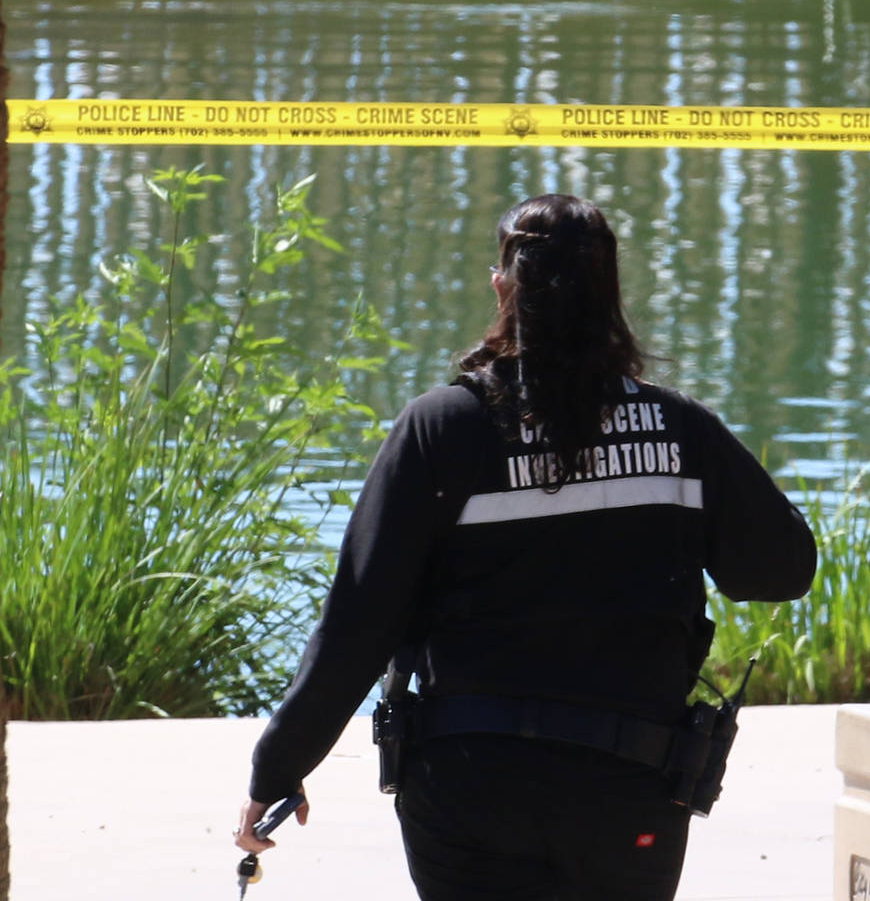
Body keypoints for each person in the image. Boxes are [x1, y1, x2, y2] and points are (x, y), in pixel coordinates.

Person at [235, 193, 817, 901]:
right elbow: (783, 569)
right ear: (612, 294)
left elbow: (359, 625)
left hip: (471, 791)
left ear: (503, 287)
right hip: (631, 793)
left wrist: (279, 767)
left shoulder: (444, 429)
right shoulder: (679, 431)